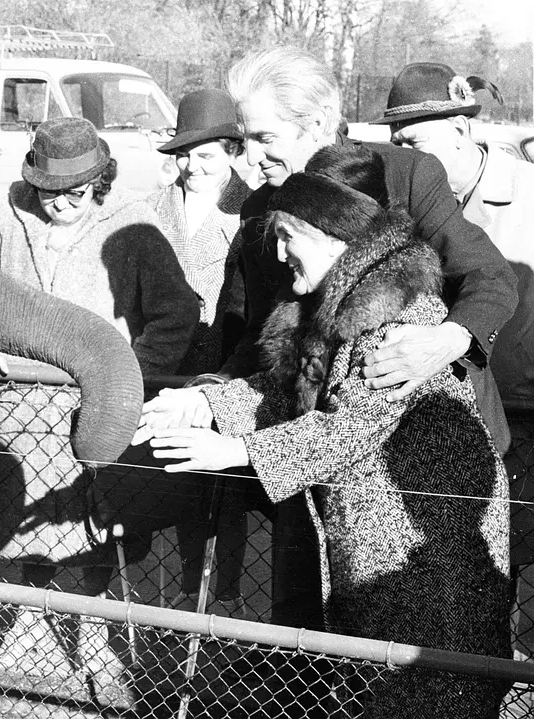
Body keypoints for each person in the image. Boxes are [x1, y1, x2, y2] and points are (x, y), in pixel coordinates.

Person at [136, 144, 511, 718]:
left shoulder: (399, 319)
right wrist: (205, 403)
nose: (279, 254)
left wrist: (233, 449)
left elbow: (349, 427)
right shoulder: (333, 310)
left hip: (429, 559)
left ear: (335, 236)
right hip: (379, 546)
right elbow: (287, 390)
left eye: (289, 236)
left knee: (427, 693)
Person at [219, 45, 518, 636]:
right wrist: (214, 393)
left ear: (317, 124)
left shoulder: (405, 175)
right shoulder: (264, 212)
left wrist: (447, 339)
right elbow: (251, 328)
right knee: (307, 633)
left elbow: (490, 277)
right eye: (242, 141)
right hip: (308, 461)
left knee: (435, 642)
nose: (249, 160)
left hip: (420, 472)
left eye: (263, 137)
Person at [0, 117, 199, 679]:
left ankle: (86, 630)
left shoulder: (134, 226)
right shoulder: (8, 216)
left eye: (77, 192)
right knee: (20, 521)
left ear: (101, 182)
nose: (61, 203)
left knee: (95, 519)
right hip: (23, 401)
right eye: (49, 192)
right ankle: (25, 627)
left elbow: (176, 313)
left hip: (97, 403)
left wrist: (125, 376)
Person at [371, 61, 534, 660]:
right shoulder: (408, 197)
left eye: (413, 139)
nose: (401, 151)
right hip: (452, 420)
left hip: (527, 409)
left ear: (463, 130)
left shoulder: (529, 199)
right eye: (395, 141)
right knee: (474, 580)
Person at [147, 88, 253, 617]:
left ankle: (220, 598)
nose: (193, 167)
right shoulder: (151, 208)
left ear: (233, 152)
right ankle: (175, 598)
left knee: (219, 492)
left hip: (220, 373)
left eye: (207, 155)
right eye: (184, 155)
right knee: (166, 483)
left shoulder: (251, 210)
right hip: (161, 367)